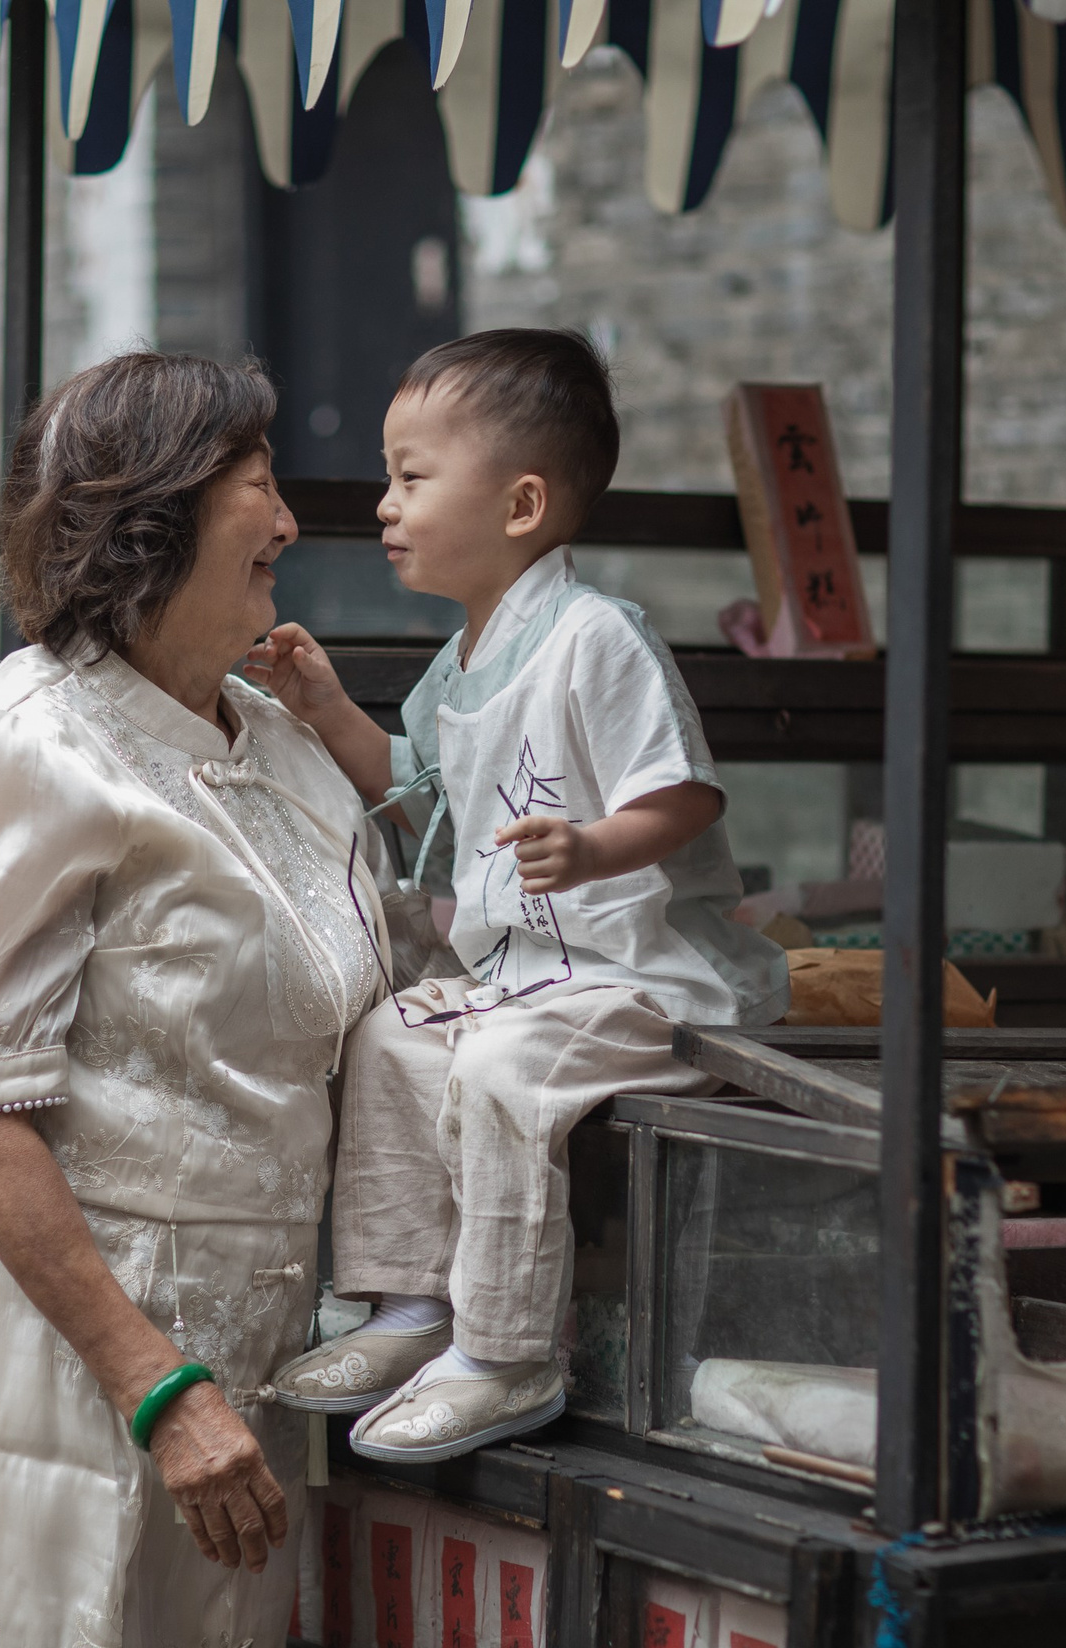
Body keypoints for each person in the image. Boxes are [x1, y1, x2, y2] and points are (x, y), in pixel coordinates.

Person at [0, 352, 383, 1648]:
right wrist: (158, 1387)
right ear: (156, 517)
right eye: (258, 485)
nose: (289, 522)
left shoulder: (276, 735)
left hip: (249, 1335)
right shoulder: (25, 749)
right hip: (77, 1351)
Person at [246, 328, 788, 1463]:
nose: (385, 505)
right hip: (524, 978)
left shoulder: (599, 636)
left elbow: (684, 793)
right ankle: (411, 1303)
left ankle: (504, 1352)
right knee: (390, 1037)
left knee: (501, 1072)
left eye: (411, 476)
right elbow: (417, 794)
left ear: (522, 503)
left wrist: (592, 848)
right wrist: (325, 707)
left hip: (636, 982)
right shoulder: (465, 658)